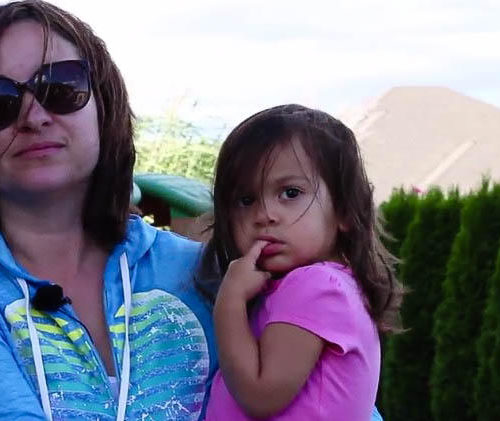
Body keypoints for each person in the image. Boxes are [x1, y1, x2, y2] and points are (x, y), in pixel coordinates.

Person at [0, 1, 217, 420]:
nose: (34, 116)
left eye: (60, 86)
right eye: (0, 100)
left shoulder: (211, 275)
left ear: (104, 101)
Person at [200, 104, 404, 420]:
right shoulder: (322, 285)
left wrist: (229, 302)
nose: (264, 215)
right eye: (246, 200)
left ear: (345, 211)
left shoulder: (314, 285)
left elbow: (260, 395)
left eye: (290, 192)